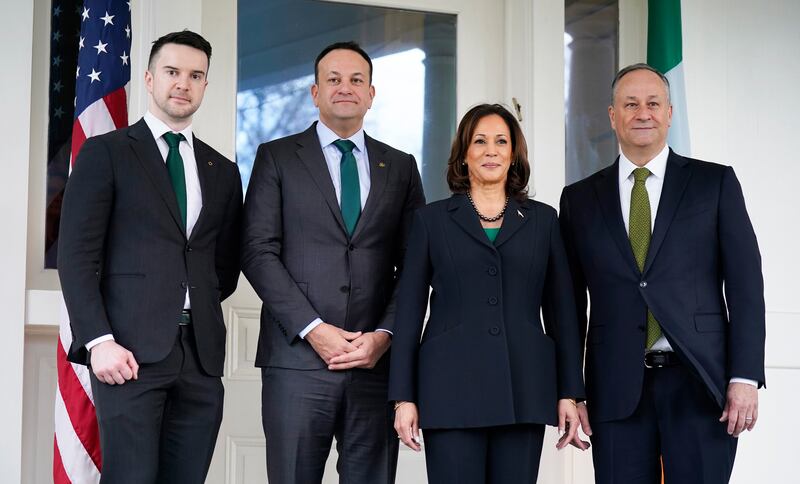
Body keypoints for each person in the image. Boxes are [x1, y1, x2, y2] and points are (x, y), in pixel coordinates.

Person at [559, 63, 765, 484]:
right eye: (630, 104)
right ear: (612, 116)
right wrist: (571, 390)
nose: (643, 113)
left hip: (701, 382)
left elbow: (746, 286)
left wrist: (744, 376)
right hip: (615, 387)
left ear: (669, 113)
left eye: (653, 104)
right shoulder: (579, 199)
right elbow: (569, 305)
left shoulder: (714, 183)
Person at [58, 30, 242, 483]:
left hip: (200, 357)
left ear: (205, 85)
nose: (183, 83)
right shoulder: (107, 153)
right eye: (172, 71)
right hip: (126, 355)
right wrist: (99, 342)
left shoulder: (223, 170)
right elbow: (77, 257)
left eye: (195, 75)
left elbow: (223, 266)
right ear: (148, 78)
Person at [241, 41, 425, 483]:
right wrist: (313, 329)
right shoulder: (276, 157)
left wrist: (385, 335)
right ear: (315, 92)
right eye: (334, 79)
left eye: (356, 80)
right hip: (297, 361)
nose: (346, 88)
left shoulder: (400, 167)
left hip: (375, 366)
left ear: (371, 94)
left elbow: (416, 263)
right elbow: (257, 251)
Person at [389, 103, 587, 483]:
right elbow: (409, 312)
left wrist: (570, 392)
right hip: (449, 390)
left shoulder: (544, 220)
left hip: (524, 389)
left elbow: (562, 313)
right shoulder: (430, 221)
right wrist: (403, 397)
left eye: (501, 141)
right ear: (464, 154)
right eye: (479, 141)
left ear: (513, 155)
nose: (490, 150)